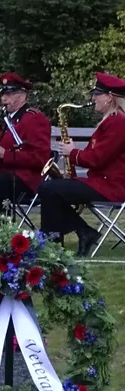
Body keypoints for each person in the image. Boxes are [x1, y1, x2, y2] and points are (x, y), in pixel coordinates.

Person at [38, 72, 125, 256]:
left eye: (97, 93)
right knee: (50, 190)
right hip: (102, 182)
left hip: (111, 186)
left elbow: (98, 159)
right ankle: (79, 234)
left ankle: (56, 244)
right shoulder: (111, 120)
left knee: (50, 189)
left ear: (110, 97)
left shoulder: (118, 122)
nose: (93, 98)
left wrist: (73, 152)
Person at [0, 72, 52, 215]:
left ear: (22, 96)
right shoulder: (7, 119)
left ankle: (2, 229)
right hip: (5, 175)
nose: (4, 98)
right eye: (2, 94)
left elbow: (40, 158)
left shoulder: (34, 119)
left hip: (27, 180)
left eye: (9, 94)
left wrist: (4, 154)